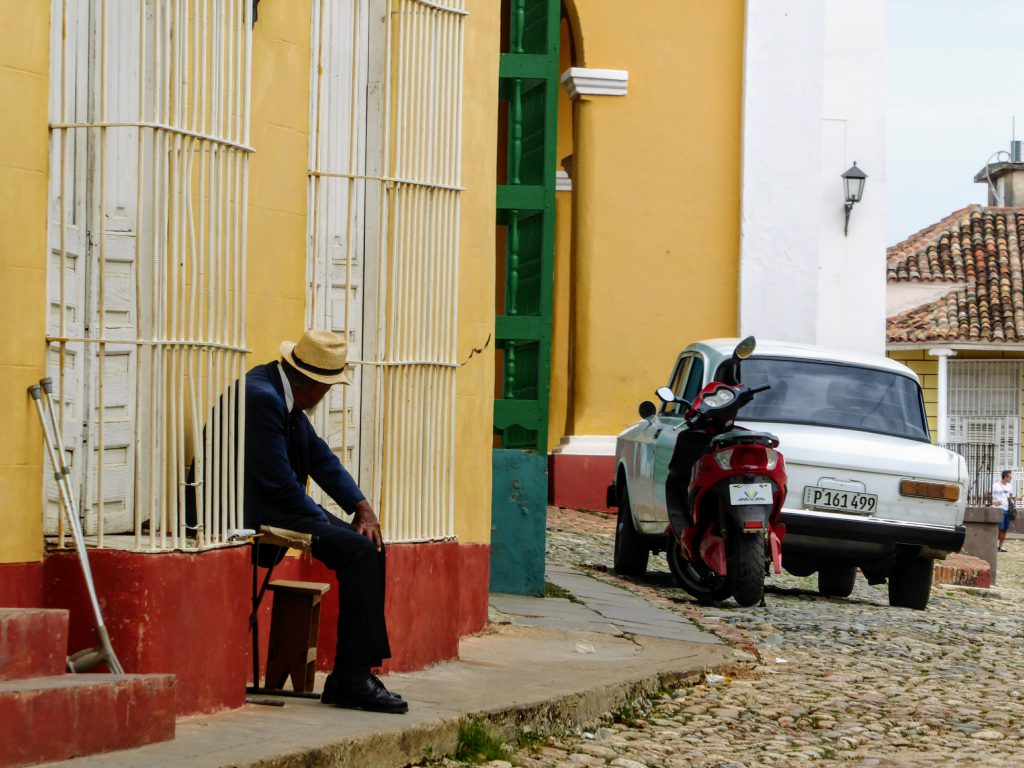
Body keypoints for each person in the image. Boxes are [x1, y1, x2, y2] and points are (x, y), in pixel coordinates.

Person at [245, 329, 407, 714]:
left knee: (367, 544)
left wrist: (360, 506)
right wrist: (333, 526)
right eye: (329, 387)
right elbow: (282, 488)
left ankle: (355, 673)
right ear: (315, 384)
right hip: (255, 509)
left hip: (277, 502)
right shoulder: (263, 399)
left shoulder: (280, 393)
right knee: (357, 550)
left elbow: (319, 458)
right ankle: (352, 678)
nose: (328, 394)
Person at [991, 469, 1016, 553]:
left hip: (1007, 509)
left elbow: (1010, 497)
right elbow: (986, 495)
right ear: (1005, 477)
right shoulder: (995, 486)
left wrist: (1016, 498)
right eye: (1010, 477)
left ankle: (1000, 546)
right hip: (999, 509)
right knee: (999, 528)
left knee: (1005, 529)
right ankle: (994, 545)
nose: (1011, 479)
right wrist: (993, 502)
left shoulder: (1009, 486)